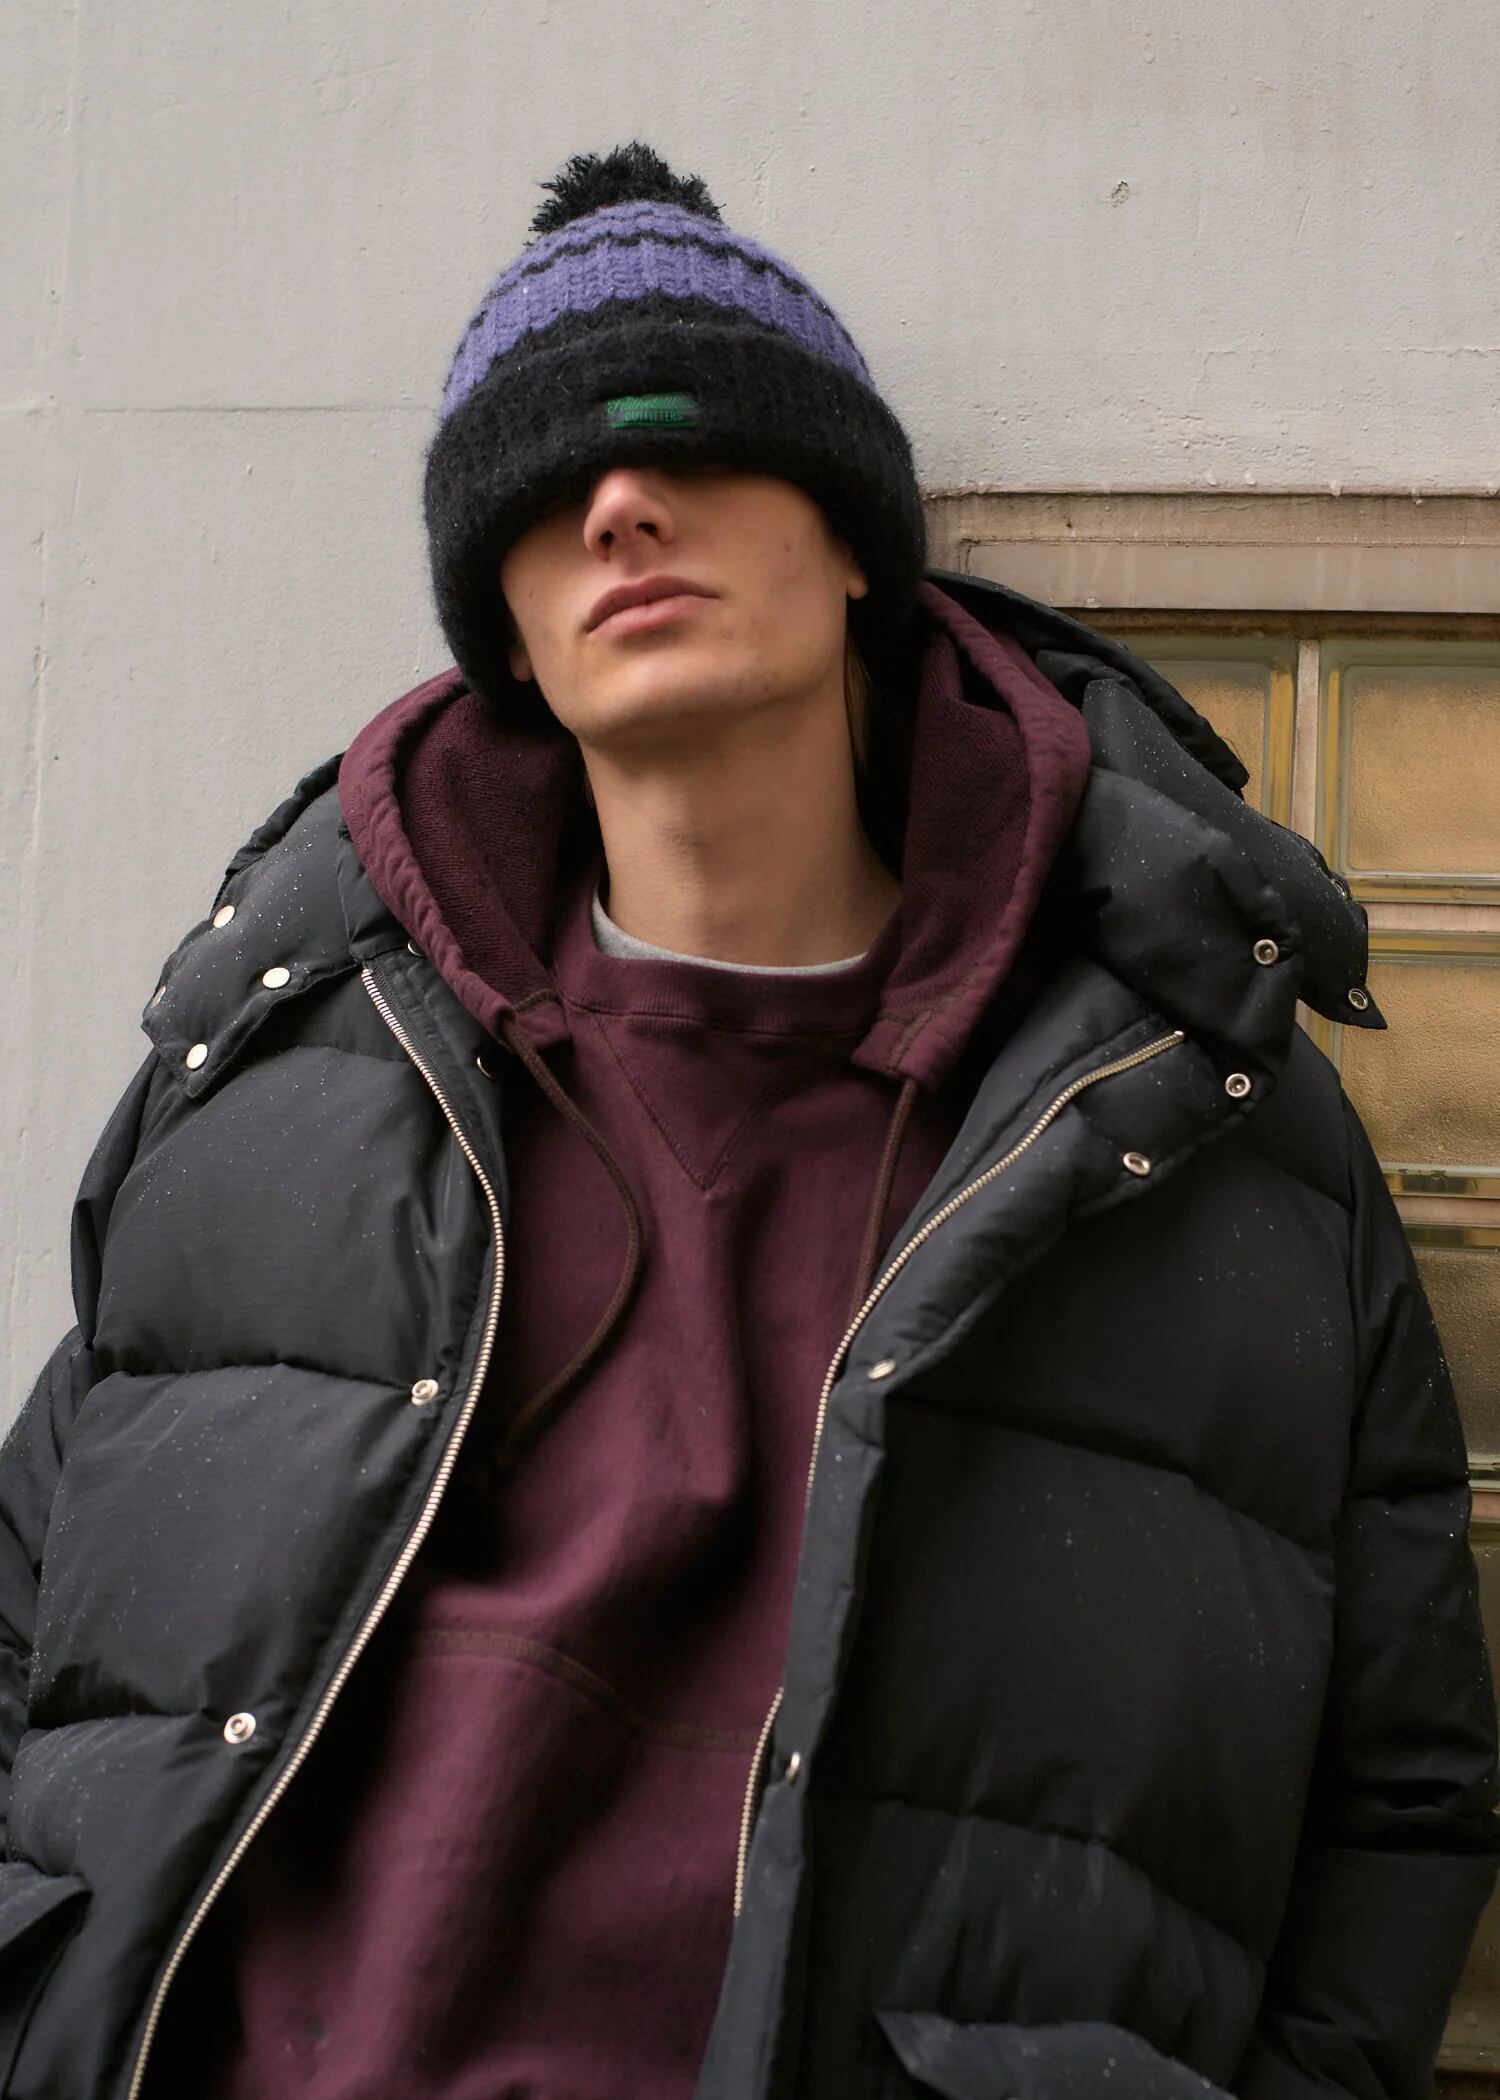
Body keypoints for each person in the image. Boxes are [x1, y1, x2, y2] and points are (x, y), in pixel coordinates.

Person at [1, 139, 1494, 2100]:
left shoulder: (1193, 1114)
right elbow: (36, 1630)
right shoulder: (271, 1079)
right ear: (502, 624)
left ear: (862, 542)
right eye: (542, 490)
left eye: (700, 444)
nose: (622, 505)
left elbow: (1401, 1789)